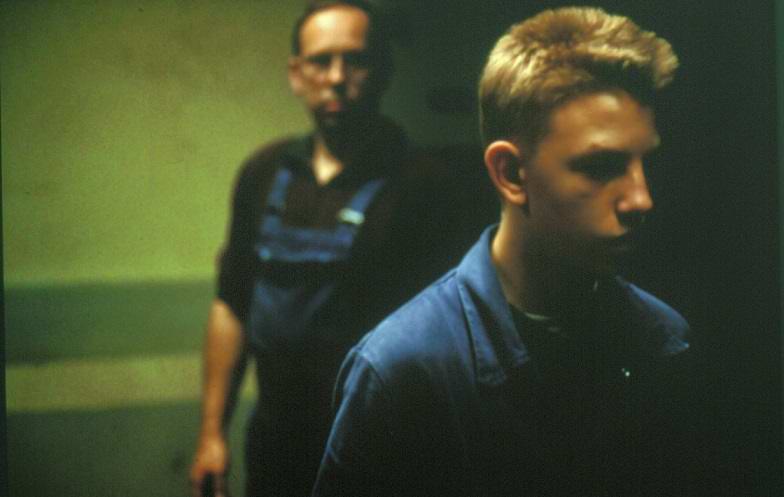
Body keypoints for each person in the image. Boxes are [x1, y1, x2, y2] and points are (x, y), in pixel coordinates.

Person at [314, 7, 703, 496]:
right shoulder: (403, 370)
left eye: (645, 163)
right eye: (602, 166)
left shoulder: (661, 337)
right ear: (512, 174)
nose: (641, 200)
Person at [188, 1, 466, 496]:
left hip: (382, 453)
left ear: (383, 72)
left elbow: (453, 339)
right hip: (275, 444)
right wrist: (212, 433)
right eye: (320, 61)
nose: (337, 78)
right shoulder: (264, 171)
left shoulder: (426, 184)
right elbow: (232, 304)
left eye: (355, 60)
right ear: (296, 74)